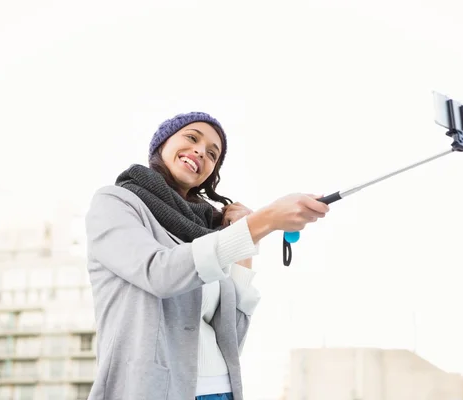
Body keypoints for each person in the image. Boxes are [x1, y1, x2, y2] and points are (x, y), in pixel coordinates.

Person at [84, 112, 330, 400]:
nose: (201, 151)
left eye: (213, 154)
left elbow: (232, 337)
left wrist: (247, 242)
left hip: (221, 391)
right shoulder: (116, 203)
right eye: (192, 137)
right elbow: (159, 274)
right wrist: (263, 222)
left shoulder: (211, 233)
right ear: (162, 144)